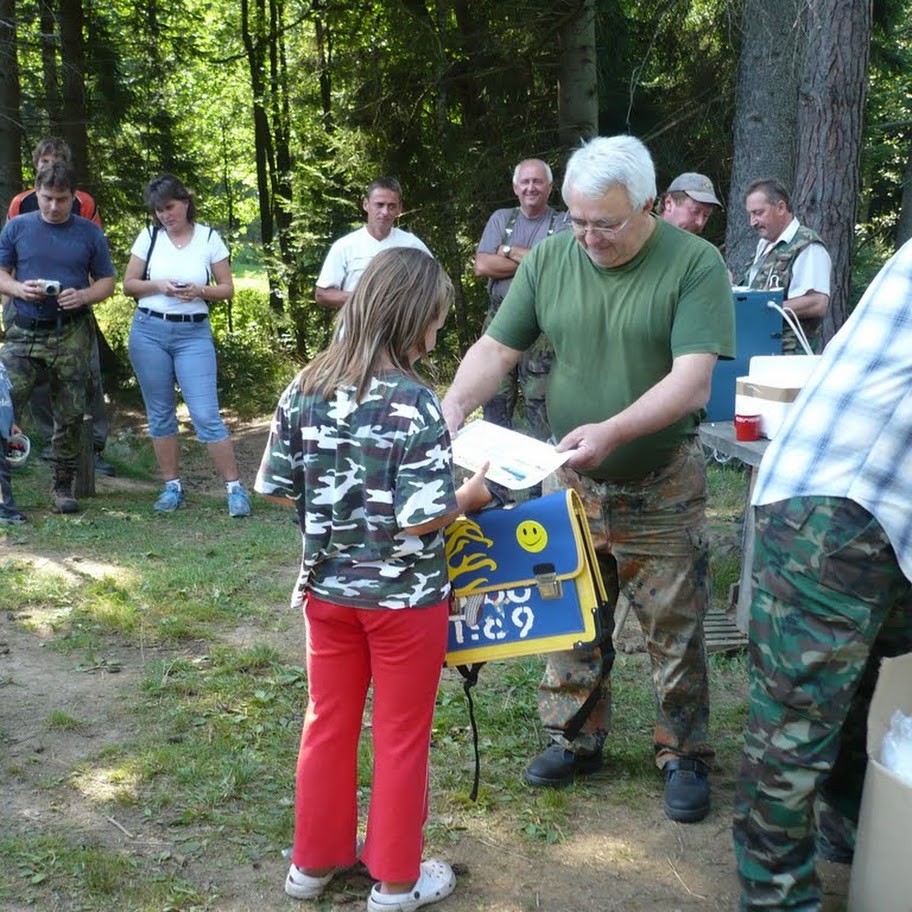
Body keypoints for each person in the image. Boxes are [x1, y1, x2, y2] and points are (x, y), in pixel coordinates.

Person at [442, 134, 735, 823]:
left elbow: (692, 384)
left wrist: (613, 432)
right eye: (577, 221)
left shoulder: (695, 264)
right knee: (570, 609)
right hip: (571, 483)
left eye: (604, 223)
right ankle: (572, 737)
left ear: (647, 207)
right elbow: (496, 347)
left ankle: (683, 753)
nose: (588, 236)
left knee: (674, 624)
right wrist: (456, 401)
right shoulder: (549, 258)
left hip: (660, 481)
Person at [255, 246, 491, 910]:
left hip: (326, 593)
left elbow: (274, 488)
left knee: (326, 721)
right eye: (438, 323)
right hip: (403, 603)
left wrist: (335, 511)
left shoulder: (303, 384)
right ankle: (394, 882)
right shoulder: (414, 403)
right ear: (411, 318)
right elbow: (422, 521)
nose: (438, 334)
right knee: (400, 732)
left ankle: (312, 866)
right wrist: (467, 497)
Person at [732, 239, 912, 911]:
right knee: (792, 734)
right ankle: (775, 898)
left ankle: (858, 825)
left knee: (860, 684)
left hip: (879, 510)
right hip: (835, 508)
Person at [122, 174, 252, 517]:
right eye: (158, 210)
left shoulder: (209, 238)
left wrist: (200, 291)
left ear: (185, 202)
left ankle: (235, 489)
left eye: (170, 207)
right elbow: (128, 285)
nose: (165, 215)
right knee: (160, 413)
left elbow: (227, 289)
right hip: (149, 331)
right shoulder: (149, 237)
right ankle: (172, 487)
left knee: (206, 414)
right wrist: (160, 286)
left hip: (193, 333)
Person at [0, 161, 116, 513]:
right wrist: (19, 288)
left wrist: (83, 295)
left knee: (70, 412)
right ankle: (3, 490)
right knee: (4, 405)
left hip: (72, 331)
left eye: (62, 199)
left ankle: (62, 486)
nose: (53, 206)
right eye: (47, 198)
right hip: (23, 330)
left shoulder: (89, 233)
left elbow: (108, 282)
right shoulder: (17, 227)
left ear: (73, 198)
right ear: (36, 193)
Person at [474, 158, 568, 440]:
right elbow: (481, 266)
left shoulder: (563, 221)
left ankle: (541, 482)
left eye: (538, 181)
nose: (531, 187)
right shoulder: (501, 218)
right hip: (499, 319)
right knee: (494, 399)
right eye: (525, 181)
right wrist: (533, 260)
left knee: (539, 405)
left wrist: (503, 250)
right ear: (515, 187)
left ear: (550, 187)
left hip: (542, 323)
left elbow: (555, 268)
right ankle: (493, 483)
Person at [739, 178, 832, 353]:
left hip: (788, 360)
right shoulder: (764, 245)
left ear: (781, 207)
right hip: (760, 352)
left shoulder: (807, 246)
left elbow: (817, 303)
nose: (753, 222)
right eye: (750, 214)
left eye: (758, 213)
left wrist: (762, 310)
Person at [314, 177, 432, 309]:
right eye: (379, 205)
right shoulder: (345, 246)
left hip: (400, 329)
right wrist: (365, 297)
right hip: (356, 329)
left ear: (399, 209)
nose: (385, 212)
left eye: (391, 206)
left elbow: (435, 284)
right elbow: (322, 294)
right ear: (366, 204)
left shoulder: (412, 245)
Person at [0, 361, 27, 525]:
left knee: (4, 470)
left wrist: (12, 423)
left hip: (3, 427)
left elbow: (6, 397)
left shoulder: (1, 365)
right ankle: (6, 511)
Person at [658, 172, 722, 236]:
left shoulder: (697, 245)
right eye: (695, 211)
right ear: (669, 203)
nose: (700, 222)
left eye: (706, 215)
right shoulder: (648, 238)